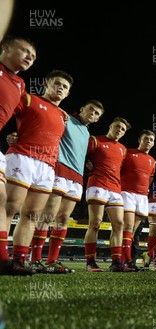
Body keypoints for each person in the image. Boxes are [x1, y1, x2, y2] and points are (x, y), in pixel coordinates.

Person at [3, 70, 72, 274]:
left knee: (32, 215)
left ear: (68, 94)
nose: (60, 88)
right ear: (46, 84)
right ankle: (1, 258)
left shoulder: (63, 115)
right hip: (22, 157)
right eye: (57, 83)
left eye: (65, 87)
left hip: (47, 167)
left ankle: (19, 260)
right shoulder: (28, 99)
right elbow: (5, 111)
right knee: (9, 208)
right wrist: (10, 135)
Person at [24, 100, 105, 273]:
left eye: (97, 113)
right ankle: (35, 260)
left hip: (77, 177)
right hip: (59, 169)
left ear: (98, 119)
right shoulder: (65, 118)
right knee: (47, 215)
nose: (93, 113)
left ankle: (52, 261)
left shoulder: (88, 134)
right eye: (90, 109)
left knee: (62, 219)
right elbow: (47, 116)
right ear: (82, 108)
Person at [0, 35, 36, 274]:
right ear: (6, 47)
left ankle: (3, 260)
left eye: (32, 57)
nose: (29, 59)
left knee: (1, 199)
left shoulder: (20, 84)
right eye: (25, 52)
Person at [83, 117, 134, 272]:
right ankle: (90, 262)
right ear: (110, 125)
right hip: (97, 184)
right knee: (96, 223)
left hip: (115, 188)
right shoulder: (95, 140)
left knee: (119, 224)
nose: (119, 130)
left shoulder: (123, 149)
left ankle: (116, 262)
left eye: (123, 129)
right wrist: (86, 162)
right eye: (117, 126)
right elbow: (80, 154)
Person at [120, 130, 156, 270]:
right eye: (146, 138)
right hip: (127, 193)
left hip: (142, 196)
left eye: (151, 139)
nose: (148, 141)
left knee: (133, 231)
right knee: (127, 227)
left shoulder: (152, 161)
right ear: (140, 140)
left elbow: (150, 179)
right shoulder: (127, 152)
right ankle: (126, 260)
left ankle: (125, 260)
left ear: (153, 143)